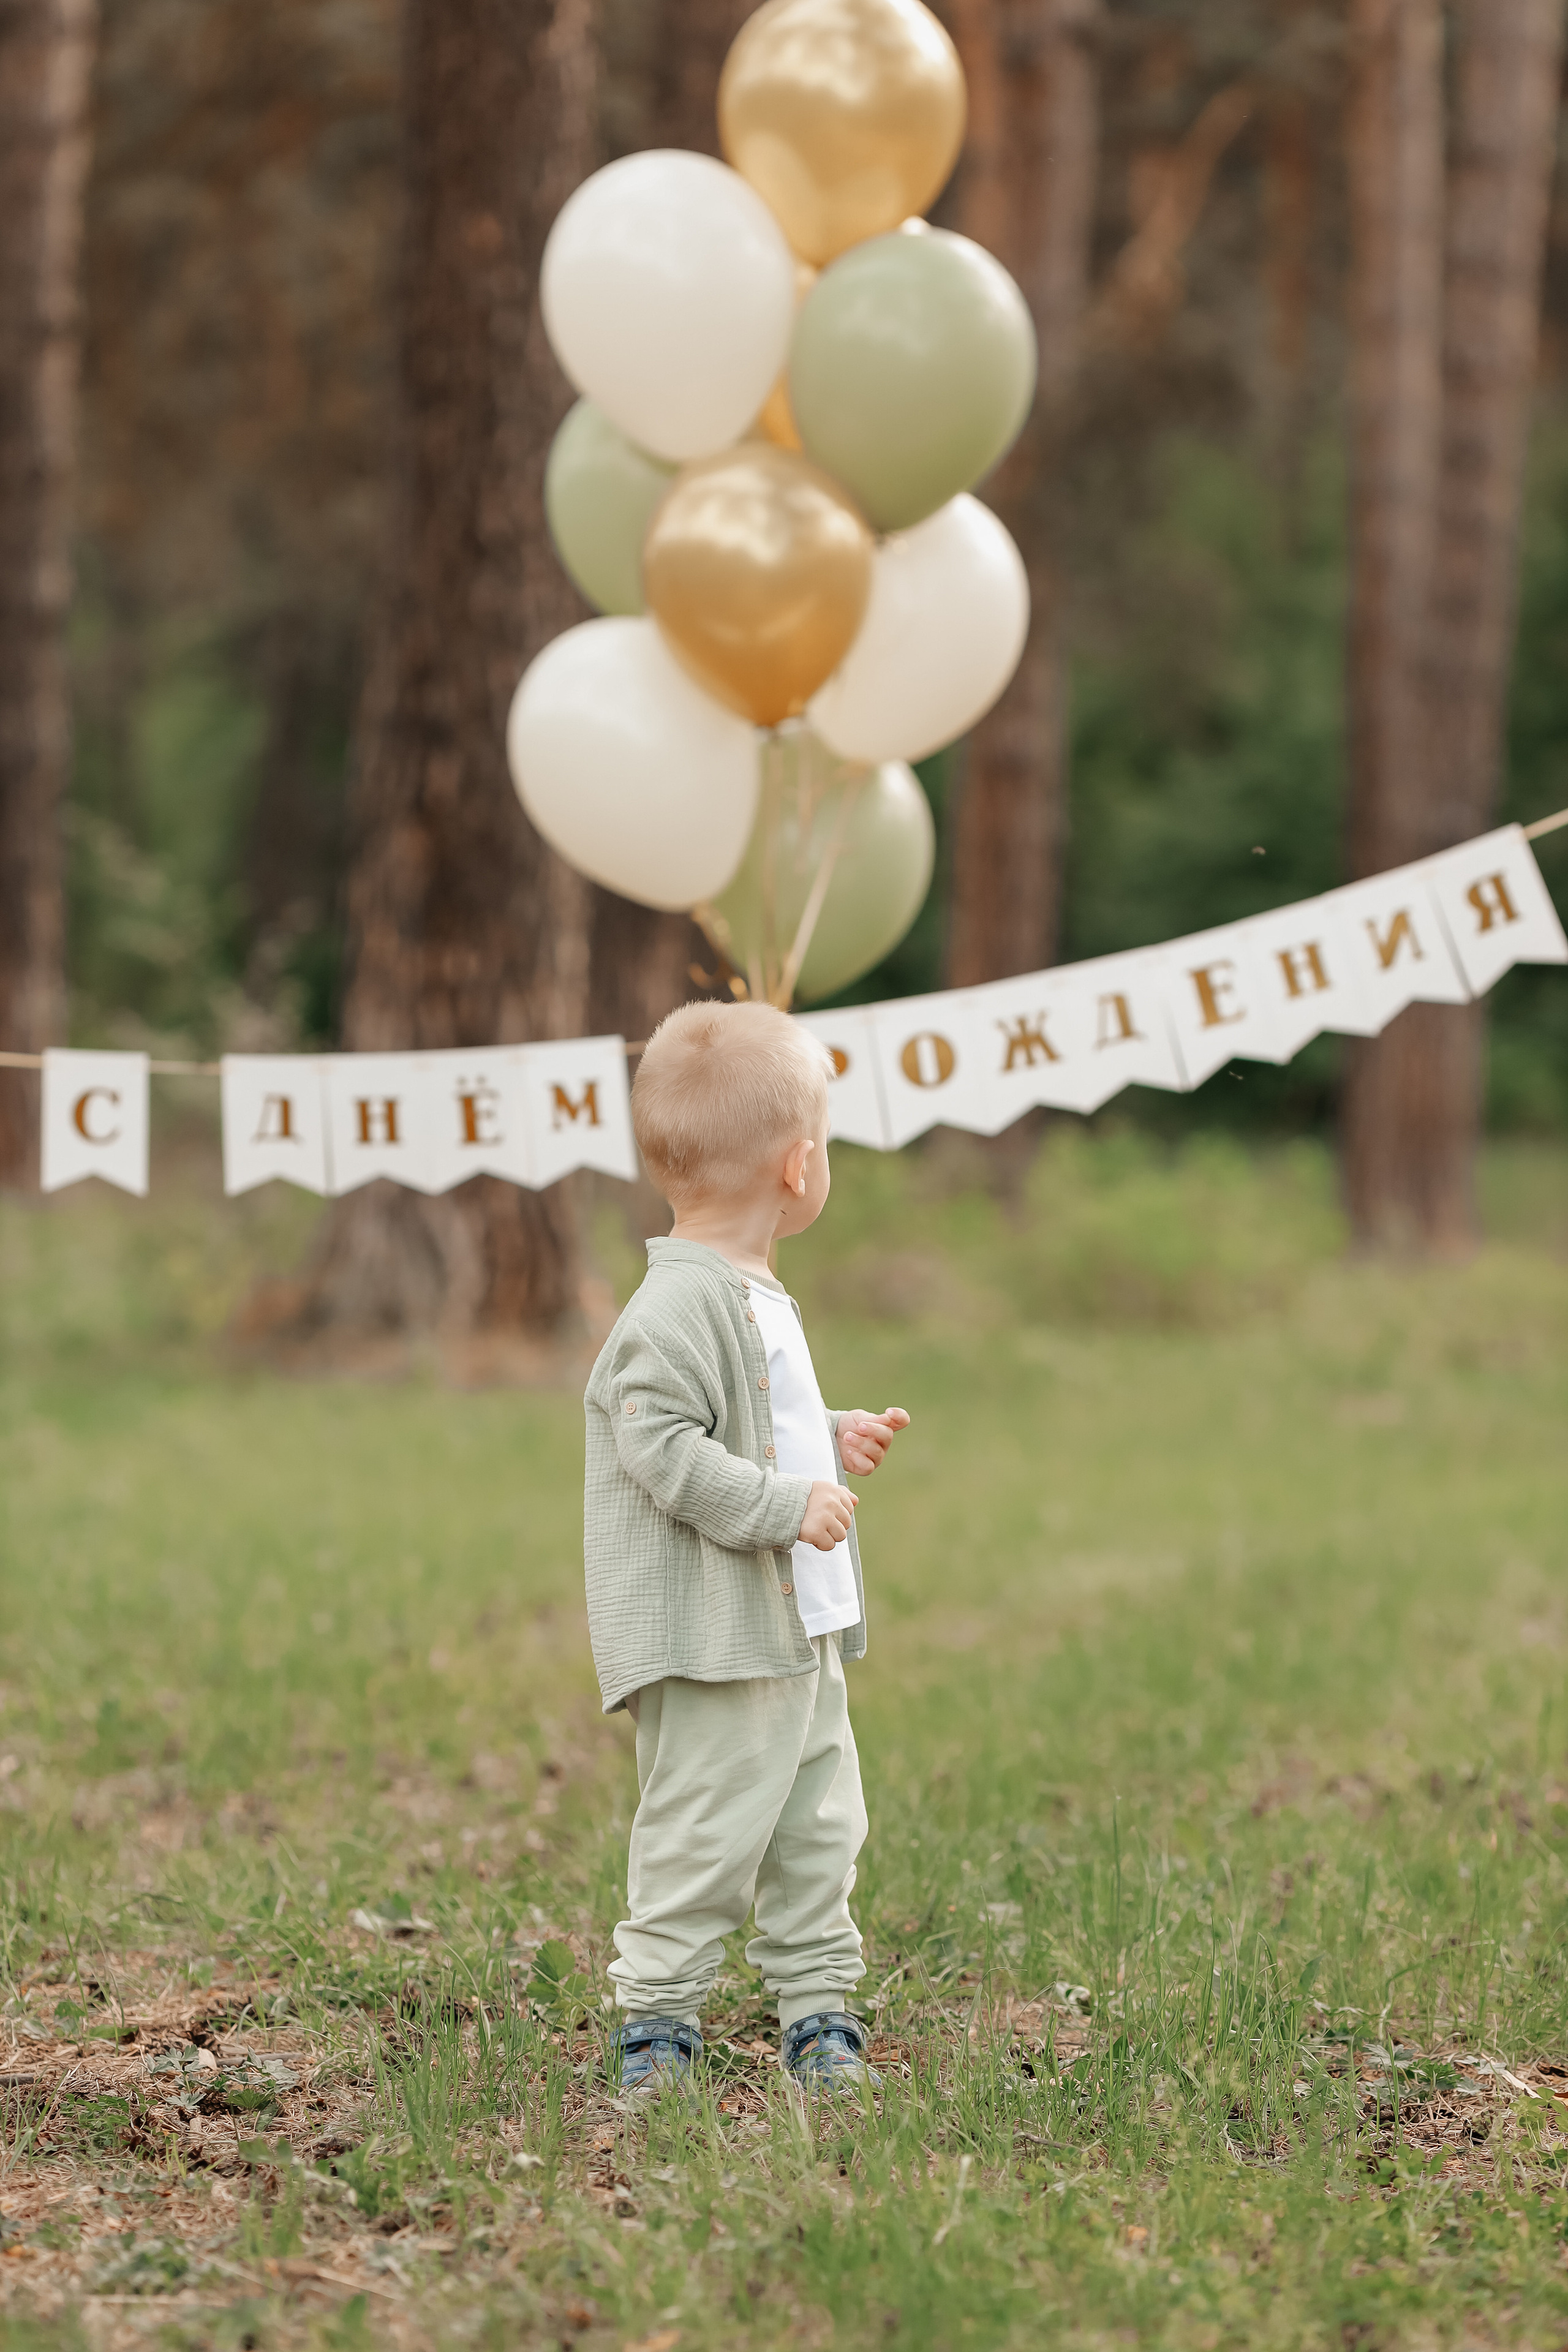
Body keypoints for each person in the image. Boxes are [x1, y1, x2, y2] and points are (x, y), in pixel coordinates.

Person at [582, 998, 910, 2098]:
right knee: (705, 1827)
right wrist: (782, 1504)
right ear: (799, 1165)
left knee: (822, 1822)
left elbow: (750, 1420)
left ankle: (819, 2007)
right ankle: (658, 2020)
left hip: (794, 1628)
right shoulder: (673, 1305)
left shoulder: (751, 1290)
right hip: (718, 1637)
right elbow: (660, 1450)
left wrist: (828, 1437)